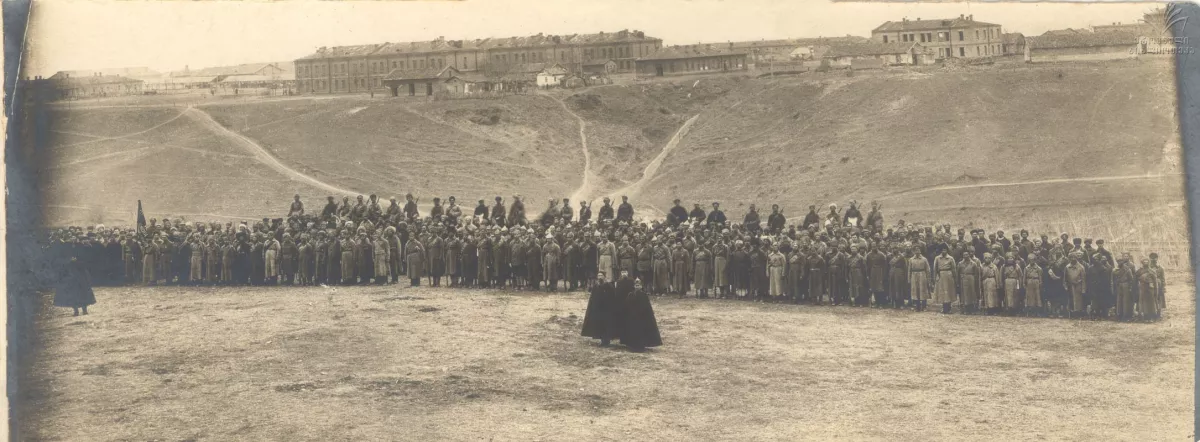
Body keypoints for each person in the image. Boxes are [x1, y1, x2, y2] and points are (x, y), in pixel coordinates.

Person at [620, 278, 662, 353]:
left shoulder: (644, 295)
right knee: (633, 331)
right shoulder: (630, 294)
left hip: (642, 317)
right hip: (632, 317)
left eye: (638, 285)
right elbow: (627, 305)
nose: (637, 287)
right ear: (634, 286)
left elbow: (647, 307)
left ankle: (641, 346)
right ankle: (633, 345)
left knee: (641, 332)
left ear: (641, 286)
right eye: (636, 285)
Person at [581, 270, 620, 347]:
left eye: (601, 275)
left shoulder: (609, 286)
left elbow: (612, 298)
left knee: (606, 325)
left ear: (604, 277)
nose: (600, 277)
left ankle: (606, 341)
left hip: (607, 310)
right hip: (598, 310)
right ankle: (602, 341)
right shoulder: (596, 286)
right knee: (600, 325)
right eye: (598, 276)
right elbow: (593, 298)